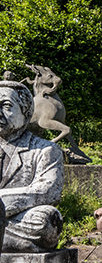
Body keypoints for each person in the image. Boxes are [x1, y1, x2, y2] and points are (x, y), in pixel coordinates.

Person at [0, 79, 64, 251]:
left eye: (6, 106)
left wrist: (1, 202)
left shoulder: (46, 149)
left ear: (26, 111)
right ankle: (17, 244)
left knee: (46, 220)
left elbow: (48, 191)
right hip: (11, 224)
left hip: (21, 215)